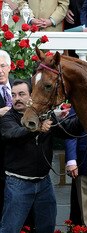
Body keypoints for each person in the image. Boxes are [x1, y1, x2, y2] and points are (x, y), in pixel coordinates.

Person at [0, 79, 83, 233]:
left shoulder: (46, 115)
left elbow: (66, 130)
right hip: (18, 184)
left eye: (21, 94)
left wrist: (85, 115)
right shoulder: (8, 118)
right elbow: (14, 135)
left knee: (47, 227)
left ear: (32, 95)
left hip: (44, 183)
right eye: (13, 95)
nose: (16, 98)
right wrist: (37, 128)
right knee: (9, 229)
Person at [0, 50, 13, 220]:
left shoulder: (22, 85)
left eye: (2, 66)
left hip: (19, 158)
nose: (0, 71)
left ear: (9, 67)